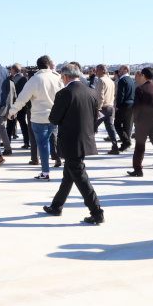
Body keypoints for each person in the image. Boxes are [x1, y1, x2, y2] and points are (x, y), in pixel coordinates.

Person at [41, 64, 105, 224]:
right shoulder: (90, 92)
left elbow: (54, 119)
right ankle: (56, 206)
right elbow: (94, 117)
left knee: (80, 177)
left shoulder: (64, 93)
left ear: (65, 77)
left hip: (70, 141)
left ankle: (97, 212)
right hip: (85, 139)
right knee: (68, 176)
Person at [9, 55, 63, 180]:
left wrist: (12, 111)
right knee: (49, 142)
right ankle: (48, 168)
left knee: (43, 145)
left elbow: (22, 99)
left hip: (39, 118)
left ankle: (45, 172)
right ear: (48, 65)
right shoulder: (57, 79)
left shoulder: (34, 80)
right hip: (54, 118)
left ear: (38, 66)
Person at [126, 67, 153, 180]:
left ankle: (138, 170)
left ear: (143, 76)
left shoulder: (140, 89)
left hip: (143, 123)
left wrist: (136, 122)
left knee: (139, 147)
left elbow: (137, 108)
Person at [93, 64, 120, 154]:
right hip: (110, 107)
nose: (95, 71)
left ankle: (90, 147)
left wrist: (98, 109)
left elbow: (100, 96)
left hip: (103, 108)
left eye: (97, 70)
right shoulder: (110, 81)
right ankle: (115, 146)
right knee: (110, 128)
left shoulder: (101, 80)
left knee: (92, 127)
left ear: (103, 71)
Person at [8, 65, 30, 148]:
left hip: (14, 104)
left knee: (10, 124)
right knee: (23, 124)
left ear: (13, 70)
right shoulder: (25, 79)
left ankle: (8, 142)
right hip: (23, 105)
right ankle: (26, 142)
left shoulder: (11, 79)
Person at [114, 65, 135, 151]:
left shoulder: (122, 80)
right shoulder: (131, 80)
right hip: (131, 104)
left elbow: (120, 94)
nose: (119, 70)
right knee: (127, 125)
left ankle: (126, 141)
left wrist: (118, 106)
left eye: (121, 69)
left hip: (124, 105)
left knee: (117, 124)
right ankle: (126, 142)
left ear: (125, 70)